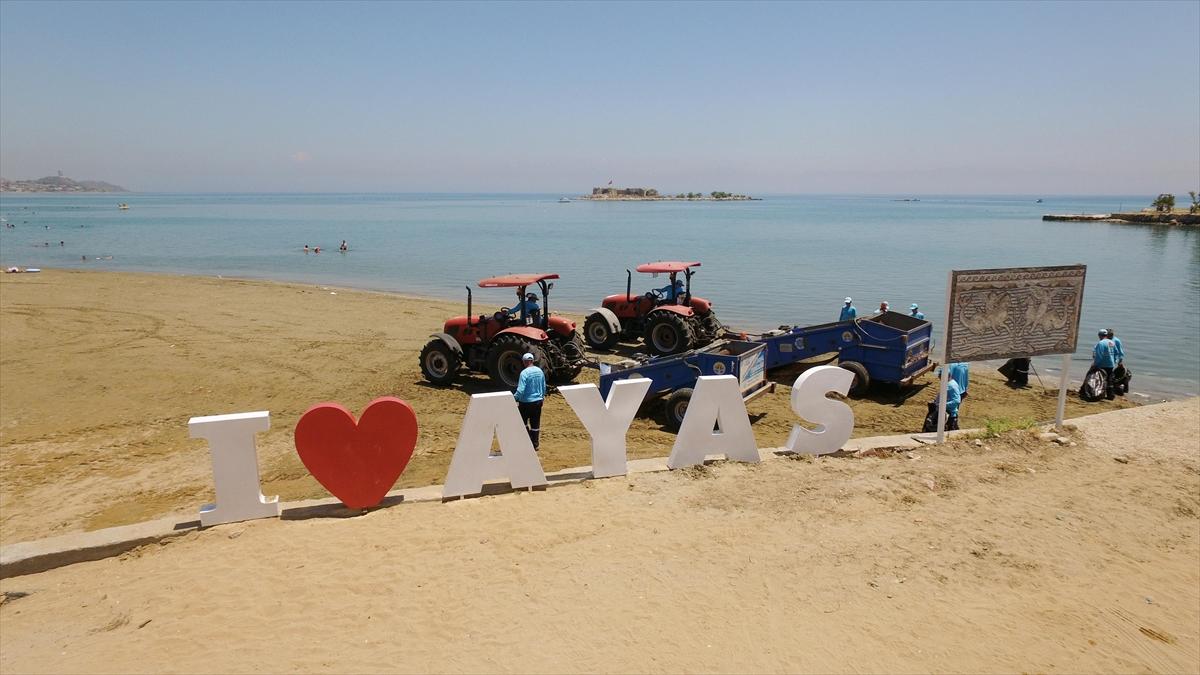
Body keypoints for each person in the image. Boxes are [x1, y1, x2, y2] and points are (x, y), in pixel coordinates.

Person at [514, 352, 546, 450]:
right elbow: (543, 386)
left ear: (524, 362)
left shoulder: (524, 373)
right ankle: (535, 444)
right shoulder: (540, 371)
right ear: (532, 361)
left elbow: (520, 390)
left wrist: (514, 398)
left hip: (526, 402)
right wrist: (542, 396)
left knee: (523, 423)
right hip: (538, 401)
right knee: (535, 423)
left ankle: (527, 442)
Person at [1092, 329, 1117, 400]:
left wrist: (1096, 364)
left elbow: (1099, 355)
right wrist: (1114, 361)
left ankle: (1100, 394)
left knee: (1101, 379)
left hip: (1103, 364)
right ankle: (1111, 395)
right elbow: (1116, 353)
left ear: (1099, 335)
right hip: (1111, 364)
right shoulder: (1111, 342)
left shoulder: (1101, 343)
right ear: (1106, 335)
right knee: (1109, 379)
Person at [1106, 329, 1130, 395]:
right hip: (1106, 359)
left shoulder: (1116, 341)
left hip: (1113, 360)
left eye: (1110, 335)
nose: (1108, 336)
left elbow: (1120, 352)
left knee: (1110, 375)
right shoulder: (1105, 340)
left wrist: (1120, 361)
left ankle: (1110, 389)